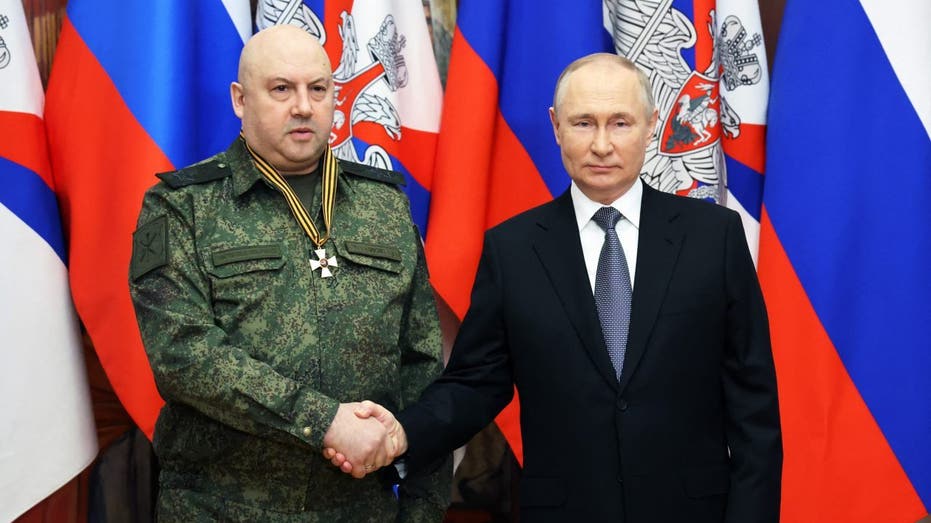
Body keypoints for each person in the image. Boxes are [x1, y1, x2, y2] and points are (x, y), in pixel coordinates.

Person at [329, 53, 782, 522]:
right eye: (584, 123)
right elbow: (476, 383)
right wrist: (402, 435)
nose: (602, 144)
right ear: (556, 126)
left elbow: (754, 408)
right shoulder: (514, 250)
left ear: (651, 126)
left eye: (620, 123)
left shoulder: (714, 237)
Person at [128, 24, 450, 522]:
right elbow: (183, 355)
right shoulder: (181, 207)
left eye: (317, 89)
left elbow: (422, 366)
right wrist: (325, 422)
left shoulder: (384, 204)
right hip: (222, 507)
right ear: (240, 99)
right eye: (281, 89)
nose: (303, 106)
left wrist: (424, 511)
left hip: (361, 509)